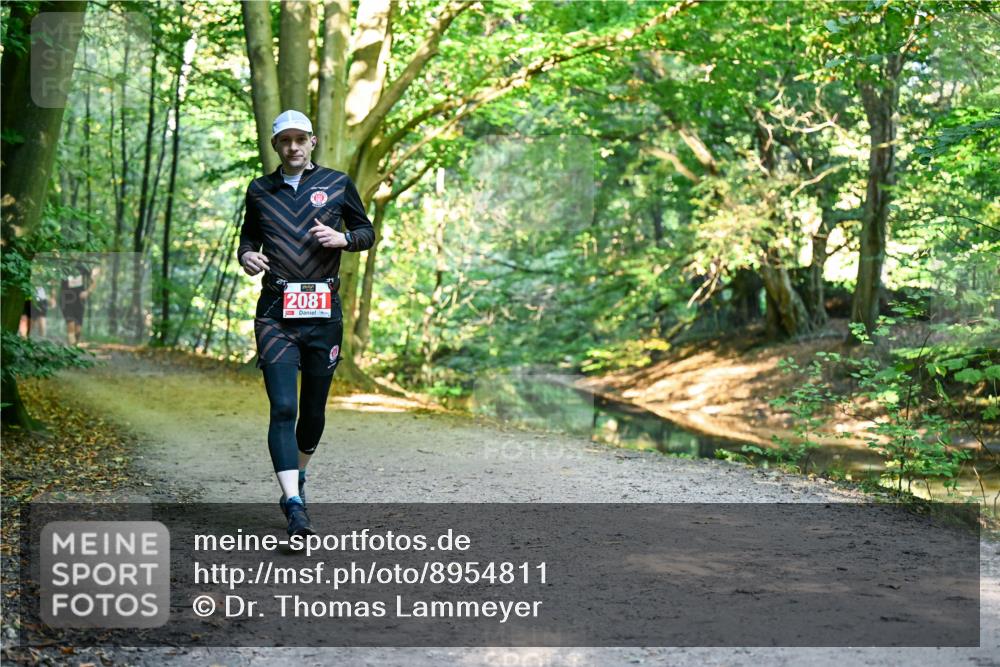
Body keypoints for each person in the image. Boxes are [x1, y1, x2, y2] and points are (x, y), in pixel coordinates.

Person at [238, 110, 375, 537]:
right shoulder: (260, 190)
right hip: (276, 312)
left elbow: (366, 231)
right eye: (285, 141)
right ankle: (293, 501)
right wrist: (247, 256)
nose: (293, 147)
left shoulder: (336, 183)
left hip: (324, 313)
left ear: (312, 142)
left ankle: (298, 476)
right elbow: (248, 237)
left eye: (300, 139)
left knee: (312, 411)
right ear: (276, 146)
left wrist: (345, 239)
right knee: (283, 406)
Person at [59, 265, 91, 345]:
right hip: (66, 300)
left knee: (78, 330)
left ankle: (74, 346)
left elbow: (93, 280)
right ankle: (71, 349)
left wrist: (87, 292)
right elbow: (52, 279)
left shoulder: (83, 267)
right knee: (71, 324)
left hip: (79, 301)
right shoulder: (63, 266)